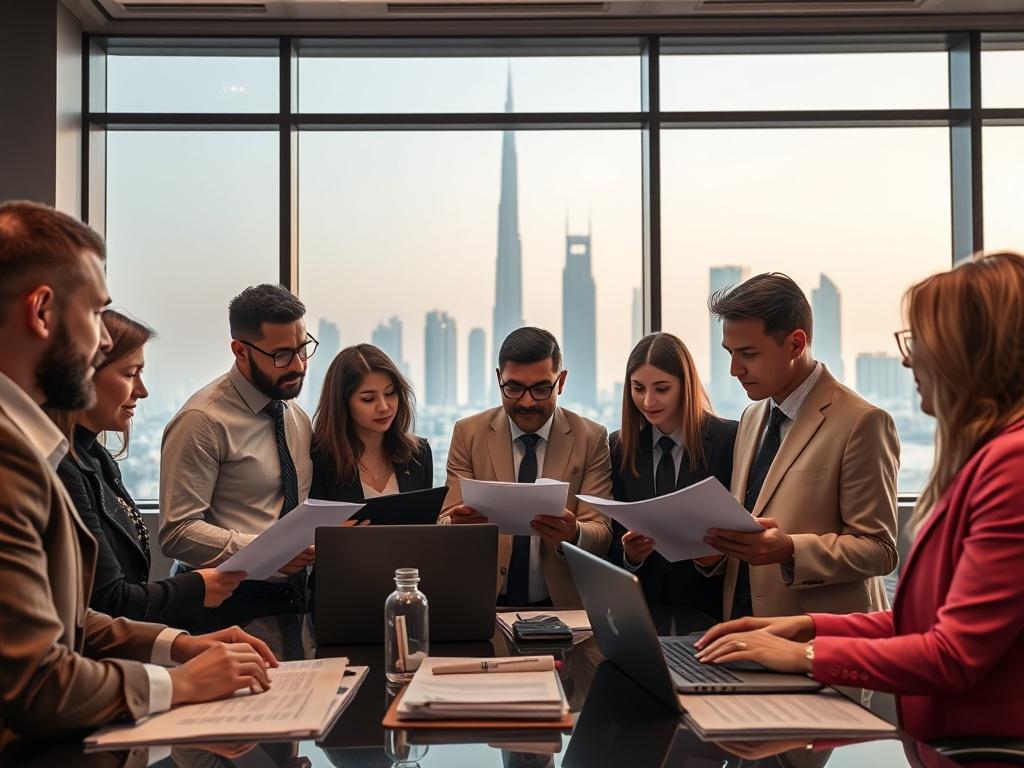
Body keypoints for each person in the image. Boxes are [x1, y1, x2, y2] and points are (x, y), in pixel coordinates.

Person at [694, 252, 1024, 742]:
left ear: (974, 352)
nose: (909, 358)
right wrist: (807, 628)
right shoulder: (752, 419)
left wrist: (809, 650)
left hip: (976, 744)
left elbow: (949, 646)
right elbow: (921, 621)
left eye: (922, 341)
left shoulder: (1009, 466)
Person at [0, 201, 276, 748]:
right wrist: (174, 684)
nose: (104, 340)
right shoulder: (12, 458)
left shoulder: (36, 447)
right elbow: (33, 682)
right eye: (95, 313)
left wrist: (175, 646)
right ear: (42, 312)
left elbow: (72, 618)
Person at [698, 273, 898, 620]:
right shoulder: (751, 417)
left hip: (821, 640)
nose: (734, 369)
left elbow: (880, 550)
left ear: (795, 344)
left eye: (748, 353)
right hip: (746, 632)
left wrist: (790, 550)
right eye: (730, 353)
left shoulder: (861, 422)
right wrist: (717, 554)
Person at [47, 310, 244, 632]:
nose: (142, 390)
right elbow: (107, 602)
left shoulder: (97, 458)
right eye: (129, 374)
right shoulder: (64, 470)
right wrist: (197, 588)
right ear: (80, 376)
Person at [159, 284, 318, 649]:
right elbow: (177, 532)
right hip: (226, 604)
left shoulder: (296, 416)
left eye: (302, 349)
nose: (297, 366)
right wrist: (273, 550)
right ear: (240, 351)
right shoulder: (202, 420)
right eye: (281, 355)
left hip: (294, 604)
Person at [440, 327, 612, 608]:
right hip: (484, 604)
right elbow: (444, 521)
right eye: (514, 387)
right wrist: (456, 525)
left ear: (562, 382)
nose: (527, 401)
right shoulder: (468, 434)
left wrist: (574, 533)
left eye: (542, 388)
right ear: (499, 379)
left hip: (563, 607)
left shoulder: (590, 438)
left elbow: (602, 534)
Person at [609, 333, 736, 620]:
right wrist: (631, 556)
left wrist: (713, 560)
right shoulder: (619, 446)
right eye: (638, 388)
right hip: (641, 612)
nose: (648, 401)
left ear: (685, 386)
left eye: (662, 389)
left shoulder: (730, 439)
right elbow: (611, 540)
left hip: (710, 610)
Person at [310, 344, 432, 501]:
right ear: (342, 403)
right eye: (368, 399)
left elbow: (425, 523)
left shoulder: (419, 455)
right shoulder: (319, 459)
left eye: (390, 393)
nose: (383, 406)